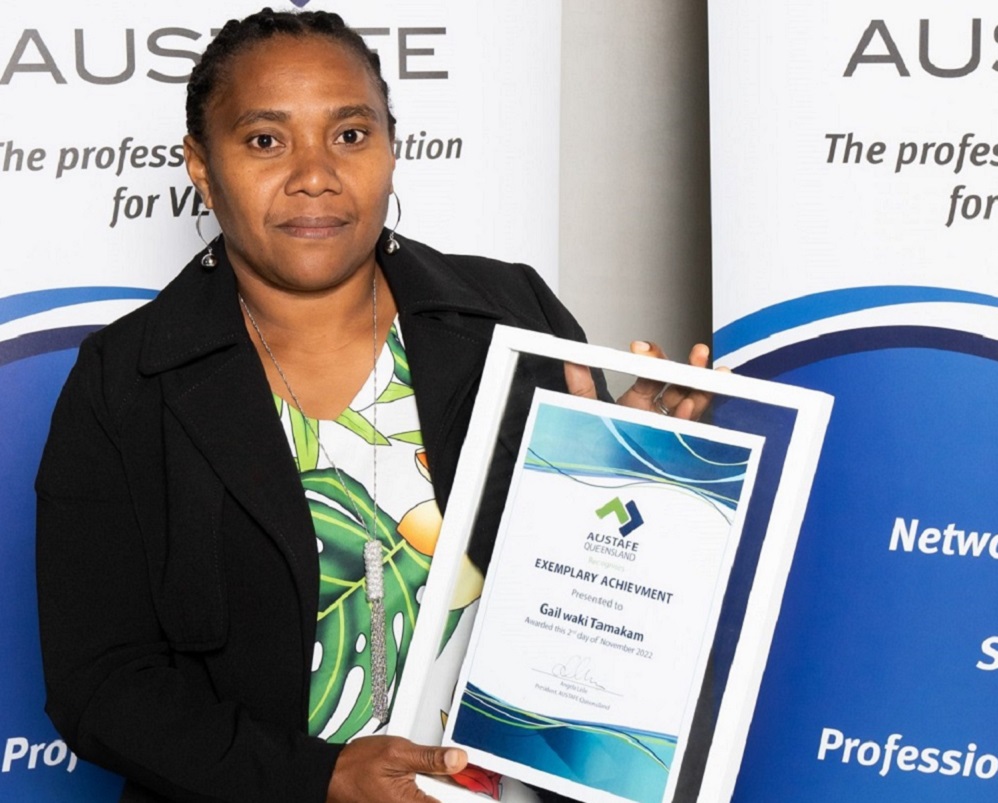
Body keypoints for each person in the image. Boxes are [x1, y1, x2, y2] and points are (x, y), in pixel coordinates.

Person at [35, 9, 710, 803]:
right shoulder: (127, 380)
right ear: (201, 165)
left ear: (392, 146)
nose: (314, 173)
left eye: (350, 135)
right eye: (265, 140)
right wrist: (319, 778)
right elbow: (102, 684)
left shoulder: (510, 315)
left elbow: (582, 595)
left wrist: (629, 461)